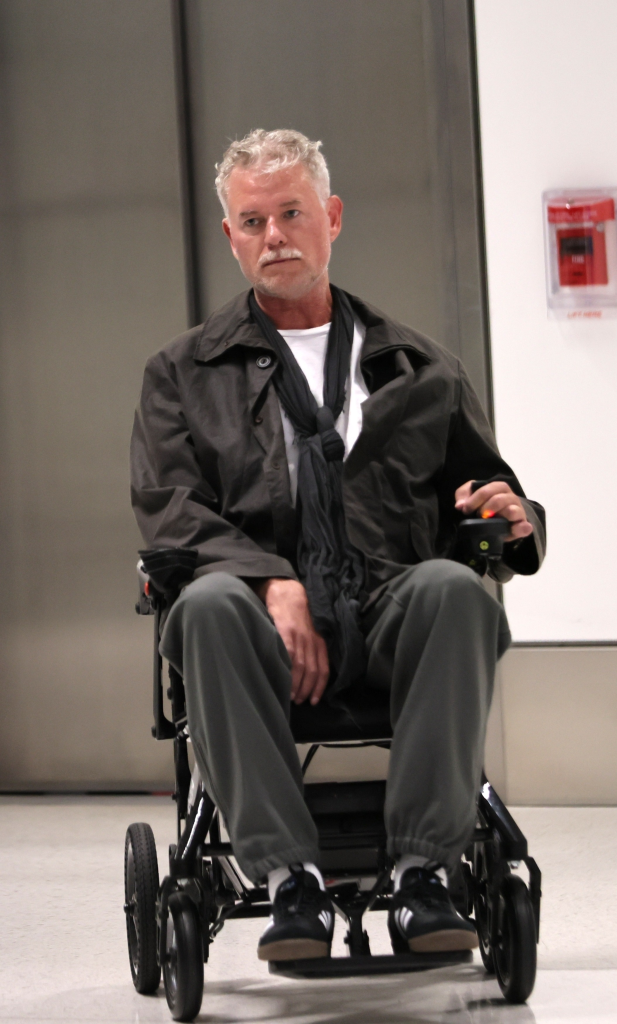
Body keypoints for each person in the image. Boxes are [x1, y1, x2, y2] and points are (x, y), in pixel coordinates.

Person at [131, 129, 545, 963]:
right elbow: (168, 510)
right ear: (230, 236)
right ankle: (290, 884)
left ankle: (427, 874)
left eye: (291, 213)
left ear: (333, 216)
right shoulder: (182, 373)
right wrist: (268, 580)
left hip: (385, 612)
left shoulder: (418, 367)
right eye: (253, 221)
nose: (274, 235)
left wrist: (516, 511)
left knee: (456, 589)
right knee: (208, 600)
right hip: (255, 633)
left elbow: (485, 493)